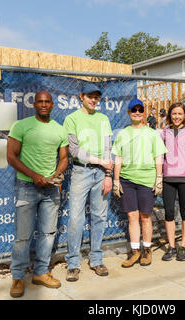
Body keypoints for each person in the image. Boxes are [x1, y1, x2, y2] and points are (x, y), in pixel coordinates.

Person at [7, 91, 69, 298]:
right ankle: (18, 276)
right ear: (34, 104)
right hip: (27, 186)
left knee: (48, 233)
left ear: (52, 105)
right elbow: (11, 156)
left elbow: (64, 158)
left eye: (47, 102)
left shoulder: (60, 130)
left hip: (51, 189)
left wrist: (56, 175)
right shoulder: (21, 126)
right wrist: (34, 175)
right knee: (23, 237)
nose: (44, 105)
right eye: (40, 102)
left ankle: (41, 272)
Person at [63, 83, 113, 282]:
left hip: (102, 174)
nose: (94, 100)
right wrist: (99, 161)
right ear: (81, 96)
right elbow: (73, 150)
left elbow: (108, 148)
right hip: (81, 172)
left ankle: (96, 259)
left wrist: (108, 173)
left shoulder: (103, 118)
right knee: (76, 218)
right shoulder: (71, 118)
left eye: (97, 97)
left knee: (99, 217)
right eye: (90, 96)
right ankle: (73, 263)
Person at [112, 98, 167, 268]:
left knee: (145, 217)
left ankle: (147, 250)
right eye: (133, 110)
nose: (137, 112)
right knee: (132, 216)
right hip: (127, 180)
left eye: (140, 109)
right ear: (128, 113)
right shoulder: (123, 134)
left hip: (146, 180)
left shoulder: (152, 133)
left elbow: (159, 157)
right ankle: (135, 251)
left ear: (143, 113)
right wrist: (115, 180)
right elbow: (118, 158)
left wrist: (159, 178)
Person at [160, 102, 185, 261]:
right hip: (168, 177)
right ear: (170, 115)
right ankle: (171, 246)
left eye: (180, 114)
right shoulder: (164, 133)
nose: (177, 117)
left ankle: (182, 246)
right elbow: (160, 156)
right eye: (174, 114)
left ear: (184, 116)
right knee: (169, 212)